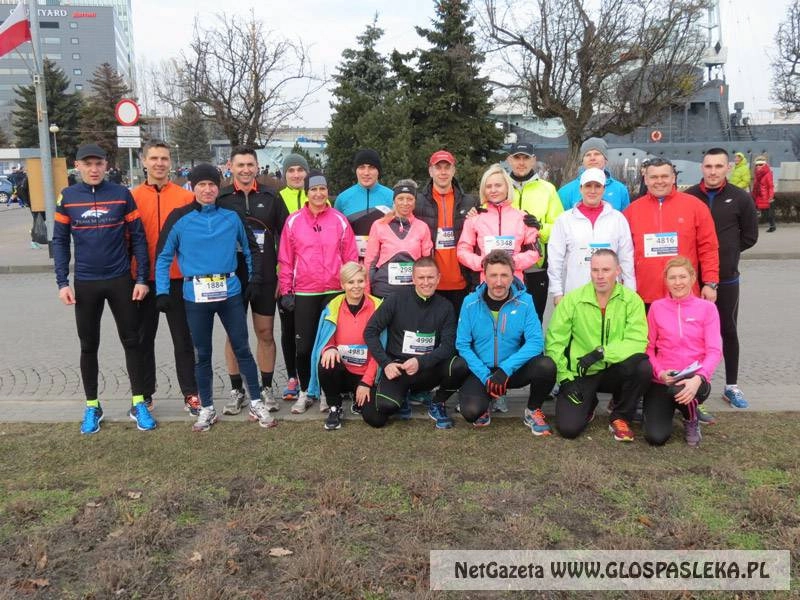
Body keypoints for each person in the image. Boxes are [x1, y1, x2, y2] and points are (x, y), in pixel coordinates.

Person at [155, 164, 274, 432]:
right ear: (193, 187)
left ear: (218, 187)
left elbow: (251, 249)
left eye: (212, 185)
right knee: (202, 354)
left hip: (229, 291)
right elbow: (163, 257)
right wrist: (162, 292)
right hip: (195, 295)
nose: (207, 190)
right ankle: (207, 408)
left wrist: (253, 280)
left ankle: (256, 402)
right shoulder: (179, 218)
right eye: (202, 185)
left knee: (242, 349)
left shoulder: (231, 216)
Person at [52, 143, 156, 435]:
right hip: (85, 283)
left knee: (132, 341)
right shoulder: (68, 197)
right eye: (88, 164)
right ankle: (92, 406)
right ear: (77, 166)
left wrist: (141, 279)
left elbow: (139, 238)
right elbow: (60, 241)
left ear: (106, 165)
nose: (94, 169)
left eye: (98, 163)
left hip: (120, 279)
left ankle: (138, 402)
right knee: (88, 345)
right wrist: (62, 282)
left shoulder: (121, 194)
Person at [545, 249, 651, 442]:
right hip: (583, 371)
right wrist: (564, 378)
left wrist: (602, 353)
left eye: (606, 270)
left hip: (616, 369)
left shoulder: (632, 300)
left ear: (617, 270)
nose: (600, 276)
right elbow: (555, 341)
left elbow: (637, 340)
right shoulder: (572, 300)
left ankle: (620, 416)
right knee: (568, 429)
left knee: (643, 367)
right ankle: (589, 402)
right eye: (595, 270)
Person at [278, 170, 359, 414]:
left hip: (334, 291)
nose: (318, 193)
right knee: (303, 347)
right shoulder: (293, 221)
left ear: (327, 191)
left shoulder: (339, 220)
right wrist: (286, 290)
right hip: (305, 292)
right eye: (313, 189)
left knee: (328, 345)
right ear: (307, 192)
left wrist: (350, 287)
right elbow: (286, 259)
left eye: (322, 189)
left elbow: (350, 256)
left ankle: (326, 392)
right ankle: (305, 392)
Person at [216, 147, 289, 416]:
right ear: (231, 167)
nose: (246, 169)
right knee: (234, 335)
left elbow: (287, 237)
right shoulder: (221, 197)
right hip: (232, 277)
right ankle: (237, 391)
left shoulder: (272, 196)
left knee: (265, 333)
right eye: (240, 165)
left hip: (266, 276)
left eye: (250, 164)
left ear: (257, 166)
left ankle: (266, 388)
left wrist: (283, 273)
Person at [685, 148, 759, 413]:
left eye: (718, 166)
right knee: (691, 334)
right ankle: (690, 384)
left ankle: (731, 385)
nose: (713, 171)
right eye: (708, 166)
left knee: (727, 330)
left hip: (726, 278)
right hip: (693, 280)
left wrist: (726, 253)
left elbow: (750, 236)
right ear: (702, 168)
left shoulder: (741, 198)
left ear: (728, 167)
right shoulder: (689, 196)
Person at [131, 140, 199, 414]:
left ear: (170, 162)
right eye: (154, 158)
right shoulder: (133, 197)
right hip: (143, 280)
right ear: (144, 161)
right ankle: (144, 395)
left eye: (164, 158)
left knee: (183, 339)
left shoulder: (185, 197)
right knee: (142, 339)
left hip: (177, 278)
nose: (159, 163)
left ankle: (191, 393)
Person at [454, 250, 557, 431]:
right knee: (471, 412)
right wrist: (486, 376)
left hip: (511, 370)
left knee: (546, 365)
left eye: (504, 275)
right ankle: (486, 402)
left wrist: (505, 370)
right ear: (484, 275)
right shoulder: (470, 302)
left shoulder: (525, 301)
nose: (499, 282)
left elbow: (535, 342)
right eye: (493, 275)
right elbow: (462, 344)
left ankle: (533, 410)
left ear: (513, 275)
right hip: (482, 371)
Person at [361, 257, 462, 429]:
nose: (426, 283)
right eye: (421, 278)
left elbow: (449, 345)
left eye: (430, 277)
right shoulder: (395, 299)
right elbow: (370, 332)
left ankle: (438, 402)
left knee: (460, 365)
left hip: (428, 368)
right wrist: (386, 363)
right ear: (413, 279)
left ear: (438, 278)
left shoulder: (445, 306)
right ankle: (404, 397)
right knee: (381, 412)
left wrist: (420, 362)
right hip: (399, 368)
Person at [643, 257, 722, 447]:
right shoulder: (656, 308)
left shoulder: (708, 308)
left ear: (693, 278)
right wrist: (660, 373)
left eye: (682, 277)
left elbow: (714, 351)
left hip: (694, 379)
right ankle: (671, 408)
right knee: (655, 437)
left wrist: (699, 378)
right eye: (672, 278)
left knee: (681, 389)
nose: (678, 282)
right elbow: (648, 348)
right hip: (664, 380)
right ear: (666, 280)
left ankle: (690, 418)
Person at [623, 158, 720, 309]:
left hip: (684, 293)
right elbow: (623, 254)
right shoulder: (631, 211)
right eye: (654, 177)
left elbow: (708, 248)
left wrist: (710, 283)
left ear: (673, 178)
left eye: (664, 176)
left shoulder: (696, 207)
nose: (659, 181)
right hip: (644, 295)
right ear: (646, 180)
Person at [307, 262, 383, 430]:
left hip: (365, 373)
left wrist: (366, 382)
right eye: (350, 282)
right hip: (341, 371)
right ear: (342, 284)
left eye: (360, 281)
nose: (356, 286)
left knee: (376, 419)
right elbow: (325, 338)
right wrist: (329, 348)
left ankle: (358, 399)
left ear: (366, 282)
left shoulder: (378, 307)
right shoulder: (333, 306)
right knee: (326, 361)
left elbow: (380, 350)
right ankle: (335, 407)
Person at [547, 167, 636, 304]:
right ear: (580, 189)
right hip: (575, 292)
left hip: (611, 294)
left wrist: (630, 291)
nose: (593, 191)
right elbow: (555, 259)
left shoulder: (617, 219)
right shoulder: (564, 220)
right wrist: (557, 292)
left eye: (597, 186)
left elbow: (626, 257)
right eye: (588, 186)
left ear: (604, 189)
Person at [505, 142, 564, 322]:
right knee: (508, 320)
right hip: (506, 265)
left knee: (533, 319)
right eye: (517, 158)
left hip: (536, 267)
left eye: (526, 158)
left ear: (534, 160)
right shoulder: (501, 187)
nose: (521, 162)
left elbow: (559, 228)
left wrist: (540, 228)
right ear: (509, 160)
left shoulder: (547, 189)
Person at [414, 150, 479, 314]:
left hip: (462, 284)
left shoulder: (470, 202)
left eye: (447, 167)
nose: (443, 172)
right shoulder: (417, 202)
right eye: (438, 167)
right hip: (430, 285)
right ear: (430, 171)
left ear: (453, 170)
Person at [457, 164, 540, 283]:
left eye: (498, 185)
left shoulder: (523, 217)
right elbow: (462, 251)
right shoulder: (474, 218)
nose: (493, 190)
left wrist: (511, 262)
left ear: (507, 187)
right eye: (488, 186)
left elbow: (535, 252)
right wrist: (483, 263)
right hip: (485, 283)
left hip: (514, 283)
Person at [276, 153, 310, 402]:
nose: (296, 175)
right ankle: (292, 377)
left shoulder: (318, 196)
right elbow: (273, 240)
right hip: (286, 278)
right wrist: (277, 276)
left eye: (300, 170)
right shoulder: (277, 200)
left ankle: (312, 378)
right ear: (285, 174)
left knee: (310, 331)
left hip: (313, 280)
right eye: (291, 170)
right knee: (288, 329)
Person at [364, 179, 433, 298]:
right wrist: (367, 291)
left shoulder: (422, 227)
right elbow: (370, 262)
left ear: (415, 202)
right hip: (383, 290)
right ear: (394, 201)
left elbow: (428, 263)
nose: (405, 203)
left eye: (410, 199)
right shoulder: (379, 225)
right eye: (400, 198)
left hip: (412, 291)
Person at [333, 149, 394, 259]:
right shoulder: (342, 199)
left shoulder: (392, 197)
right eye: (361, 167)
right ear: (356, 170)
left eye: (371, 167)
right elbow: (335, 234)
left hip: (383, 261)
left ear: (378, 171)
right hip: (352, 262)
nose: (366, 173)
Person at [557, 138, 630, 211]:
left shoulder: (620, 190)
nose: (592, 158)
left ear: (605, 159)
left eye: (597, 154)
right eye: (588, 155)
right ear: (582, 161)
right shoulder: (565, 192)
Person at [752, 156, 776, 233]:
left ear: (764, 165)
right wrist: (753, 195)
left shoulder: (768, 174)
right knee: (753, 211)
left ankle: (772, 226)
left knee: (767, 213)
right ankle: (752, 226)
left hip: (765, 196)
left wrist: (771, 197)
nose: (758, 166)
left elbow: (770, 186)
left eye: (760, 165)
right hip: (758, 195)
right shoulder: (757, 173)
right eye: (757, 165)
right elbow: (756, 186)